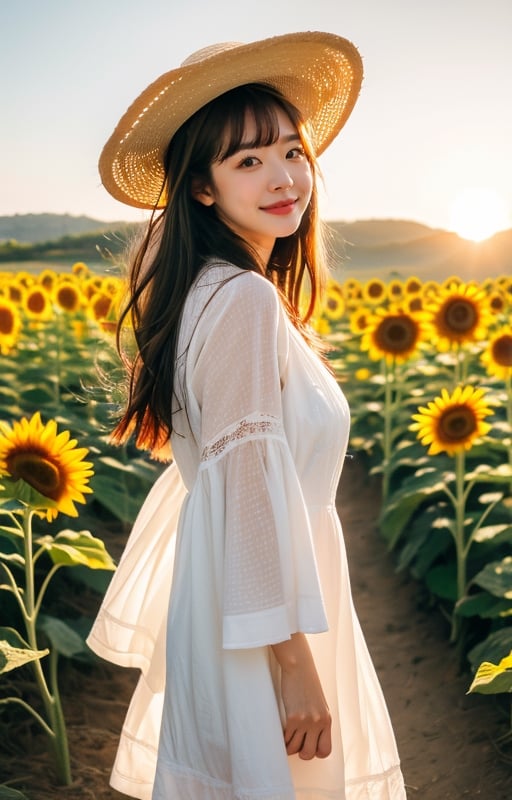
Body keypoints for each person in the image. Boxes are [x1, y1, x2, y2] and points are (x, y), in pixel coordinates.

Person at [87, 31, 406, 800]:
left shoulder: (210, 290)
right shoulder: (244, 300)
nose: (283, 177)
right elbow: (247, 493)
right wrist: (293, 663)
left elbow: (213, 487)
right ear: (203, 187)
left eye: (291, 151)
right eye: (248, 161)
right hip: (265, 621)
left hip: (244, 603)